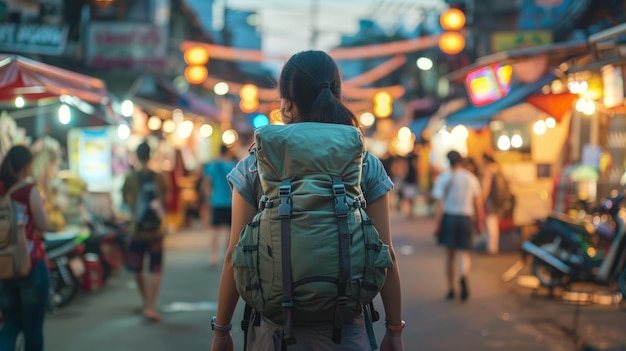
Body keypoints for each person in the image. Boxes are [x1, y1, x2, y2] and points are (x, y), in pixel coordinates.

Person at [211, 50, 404, 351]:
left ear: (286, 102)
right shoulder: (363, 163)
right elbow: (386, 253)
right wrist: (394, 330)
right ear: (337, 94)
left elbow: (235, 254)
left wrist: (221, 331)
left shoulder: (256, 163)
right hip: (347, 334)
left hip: (273, 336)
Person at [0, 145, 49, 351]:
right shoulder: (28, 190)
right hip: (31, 264)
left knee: (10, 325)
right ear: (27, 166)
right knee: (32, 329)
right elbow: (43, 225)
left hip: (4, 266)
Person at [122, 141, 170, 322]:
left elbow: (127, 201)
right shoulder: (160, 177)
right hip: (156, 229)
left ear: (137, 155)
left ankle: (145, 302)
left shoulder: (130, 178)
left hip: (136, 229)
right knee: (155, 268)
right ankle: (150, 306)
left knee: (137, 268)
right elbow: (165, 199)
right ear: (150, 154)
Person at [432, 150, 484, 301]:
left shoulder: (444, 178)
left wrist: (437, 225)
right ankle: (463, 275)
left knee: (449, 256)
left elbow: (440, 206)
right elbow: (478, 203)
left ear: (448, 162)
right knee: (463, 253)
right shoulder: (470, 178)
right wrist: (480, 221)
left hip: (449, 217)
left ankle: (451, 288)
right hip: (466, 218)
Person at [202, 144, 237, 267]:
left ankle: (213, 256)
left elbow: (207, 182)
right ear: (227, 152)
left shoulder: (212, 165)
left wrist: (209, 197)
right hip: (230, 202)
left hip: (216, 201)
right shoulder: (233, 165)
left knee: (215, 231)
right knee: (229, 231)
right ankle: (227, 256)